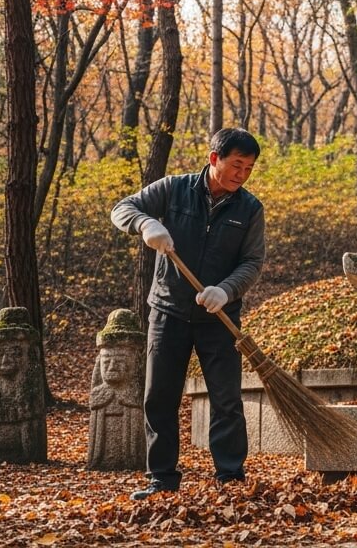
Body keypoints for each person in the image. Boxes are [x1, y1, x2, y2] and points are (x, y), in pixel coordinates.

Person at [111, 128, 265, 498]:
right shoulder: (174, 189)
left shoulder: (250, 208)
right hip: (168, 312)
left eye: (249, 168)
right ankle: (161, 479)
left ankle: (230, 478)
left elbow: (253, 262)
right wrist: (146, 223)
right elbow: (122, 209)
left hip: (219, 318)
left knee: (226, 399)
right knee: (160, 396)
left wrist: (226, 290)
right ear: (214, 159)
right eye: (236, 165)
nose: (241, 174)